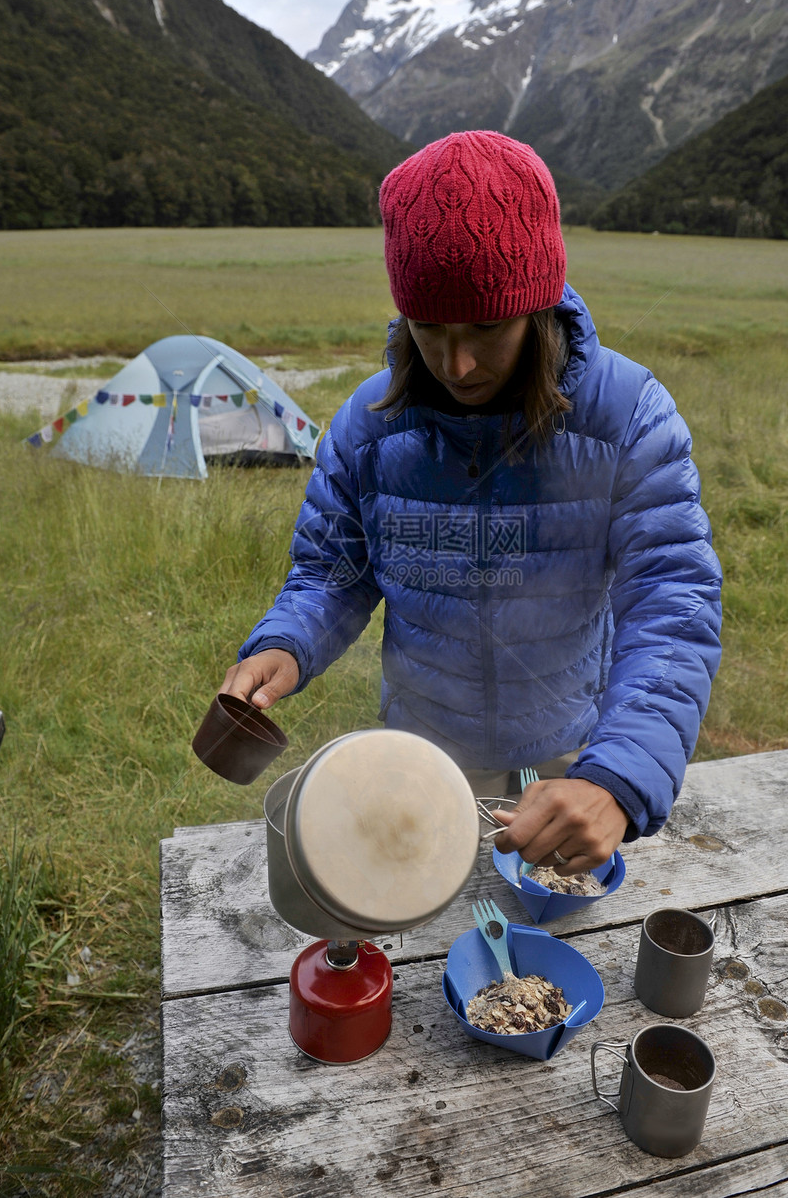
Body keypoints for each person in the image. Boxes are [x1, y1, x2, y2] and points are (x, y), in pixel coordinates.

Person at [221, 130, 722, 874]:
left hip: (566, 758)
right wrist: (284, 641)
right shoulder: (370, 426)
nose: (456, 363)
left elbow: (673, 601)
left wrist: (614, 777)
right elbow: (333, 571)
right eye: (429, 327)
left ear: (536, 305)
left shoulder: (628, 418)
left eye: (486, 327)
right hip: (419, 755)